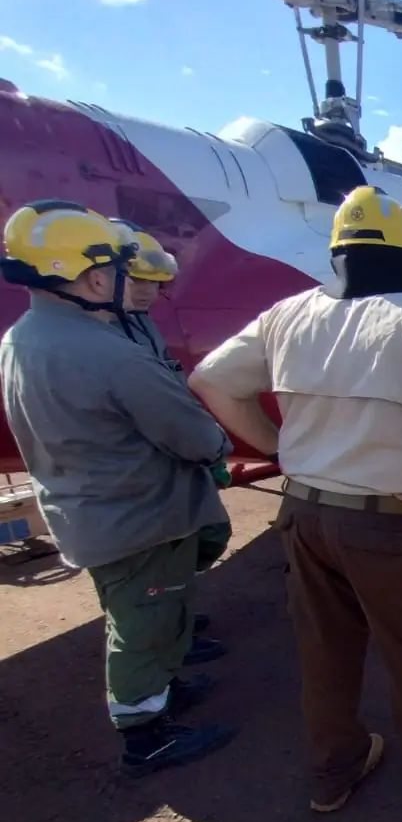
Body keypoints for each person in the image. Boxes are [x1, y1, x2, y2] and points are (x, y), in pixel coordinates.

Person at [188, 185, 402, 815]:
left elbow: (210, 380)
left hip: (304, 515)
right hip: (390, 524)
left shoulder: (287, 314)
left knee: (325, 652)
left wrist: (280, 448)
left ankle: (335, 771)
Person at [0, 200, 237, 777]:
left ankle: (162, 687)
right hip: (138, 518)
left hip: (89, 512)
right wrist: (218, 447)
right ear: (97, 276)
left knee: (138, 614)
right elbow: (190, 433)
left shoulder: (22, 338)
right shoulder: (108, 353)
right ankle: (145, 736)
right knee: (139, 627)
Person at [110, 218, 233, 633]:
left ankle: (170, 616)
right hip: (139, 474)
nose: (147, 291)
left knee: (207, 536)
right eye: (136, 280)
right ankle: (163, 643)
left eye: (154, 282)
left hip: (174, 458)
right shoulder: (99, 335)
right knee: (155, 562)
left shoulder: (141, 323)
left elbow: (171, 383)